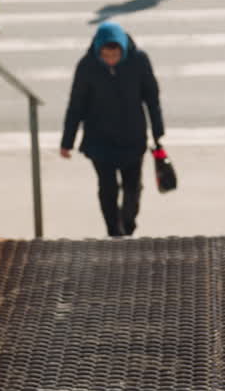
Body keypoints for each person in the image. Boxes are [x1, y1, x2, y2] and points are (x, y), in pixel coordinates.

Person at [60, 21, 165, 238]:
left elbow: (152, 98)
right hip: (99, 140)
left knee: (132, 188)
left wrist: (157, 131)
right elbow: (76, 105)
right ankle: (114, 233)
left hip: (132, 138)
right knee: (107, 189)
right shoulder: (87, 66)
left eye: (115, 55)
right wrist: (67, 142)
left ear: (123, 50)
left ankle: (128, 224)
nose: (110, 60)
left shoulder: (139, 61)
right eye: (106, 56)